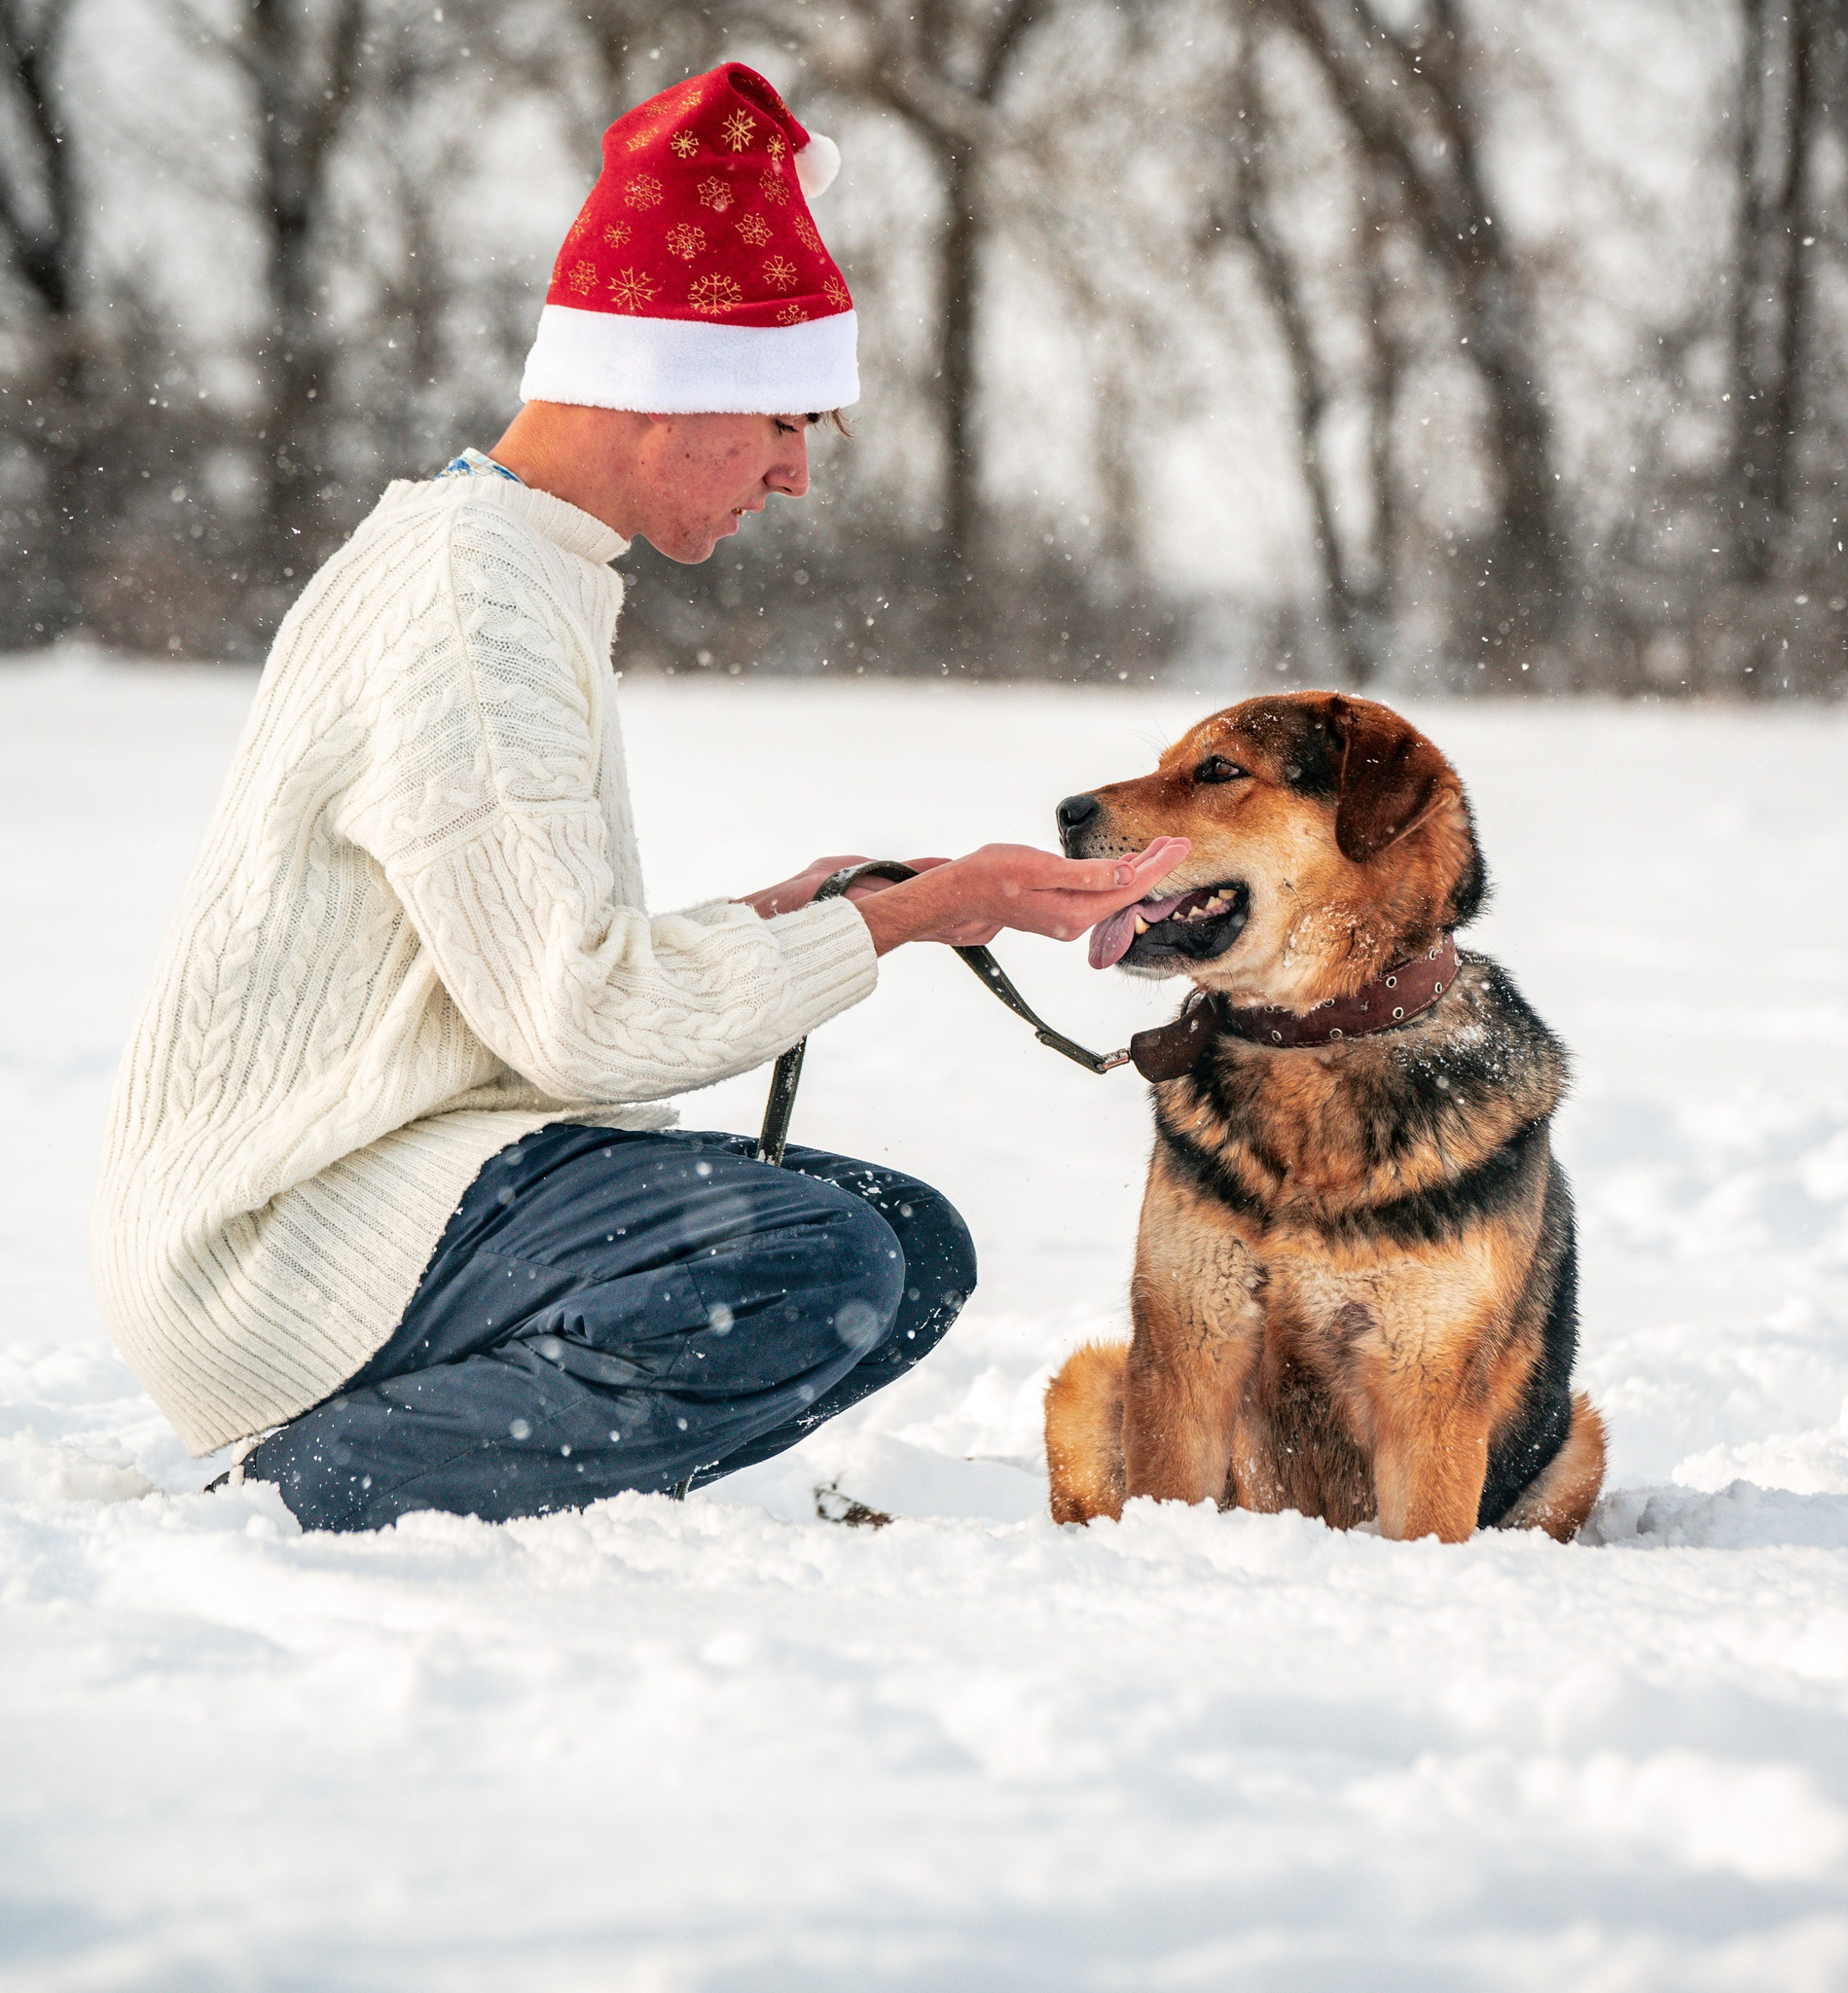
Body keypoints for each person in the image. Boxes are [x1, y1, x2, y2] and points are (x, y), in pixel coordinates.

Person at [91, 62, 1185, 1532]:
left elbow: (506, 969)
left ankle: (474, 1460)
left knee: (901, 1246)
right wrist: (923, 917)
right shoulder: (473, 610)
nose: (797, 479)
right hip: (289, 1232)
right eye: (789, 424)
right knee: (813, 1269)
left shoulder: (505, 558)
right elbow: (579, 1021)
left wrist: (786, 916)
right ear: (679, 391)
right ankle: (312, 1490)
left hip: (407, 1172)